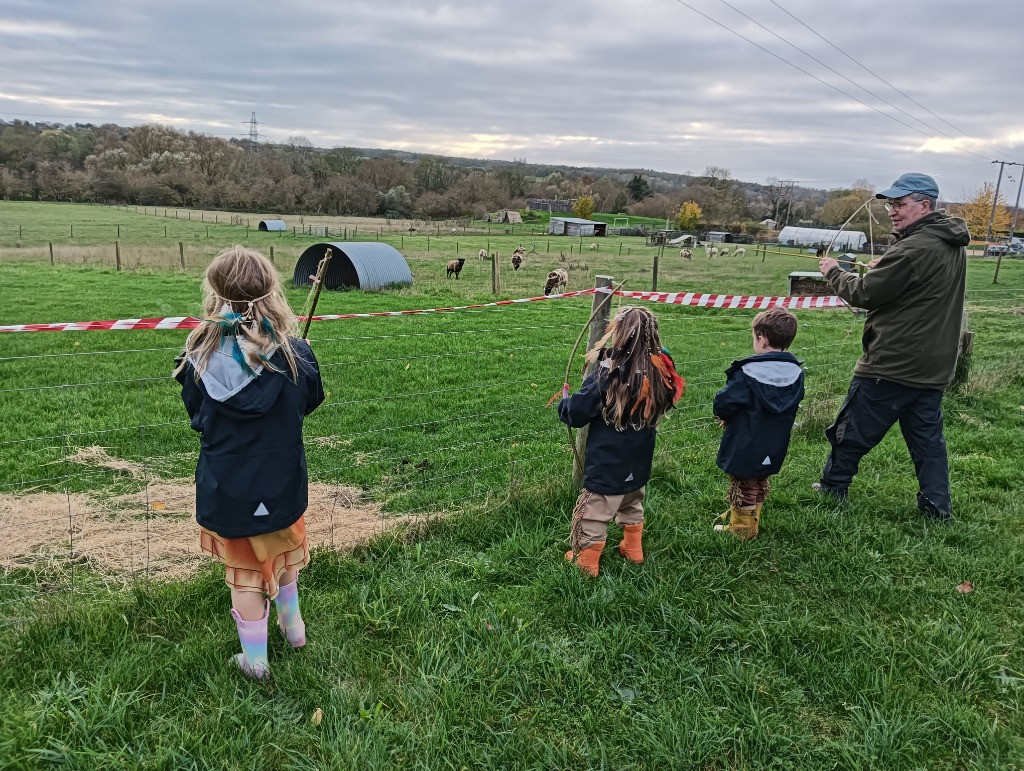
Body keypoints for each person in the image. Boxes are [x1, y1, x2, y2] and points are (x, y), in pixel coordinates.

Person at [174, 245, 325, 678]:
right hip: (282, 481)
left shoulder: (198, 357)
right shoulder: (295, 354)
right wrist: (303, 361)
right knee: (284, 557)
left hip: (230, 487)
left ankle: (256, 662)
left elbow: (198, 417)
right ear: (271, 290)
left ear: (216, 293)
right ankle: (293, 629)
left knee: (246, 577)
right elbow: (307, 403)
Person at [816, 172, 969, 520]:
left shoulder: (914, 248)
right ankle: (936, 508)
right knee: (928, 442)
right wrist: (886, 268)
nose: (892, 211)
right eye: (890, 205)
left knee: (851, 430)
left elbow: (864, 294)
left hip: (894, 363)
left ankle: (832, 487)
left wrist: (834, 270)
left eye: (900, 204)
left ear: (924, 205)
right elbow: (917, 282)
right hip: (934, 365)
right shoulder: (948, 241)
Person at [558, 306, 685, 577]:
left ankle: (586, 561)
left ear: (620, 333)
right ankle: (632, 547)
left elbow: (578, 413)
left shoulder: (608, 372)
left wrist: (566, 404)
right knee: (631, 500)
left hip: (608, 461)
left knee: (595, 510)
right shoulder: (660, 368)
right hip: (639, 459)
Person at [713, 309, 805, 541]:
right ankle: (751, 516)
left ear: (761, 339)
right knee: (761, 478)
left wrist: (724, 415)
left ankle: (742, 530)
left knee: (743, 482)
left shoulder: (747, 373)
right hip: (775, 440)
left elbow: (725, 402)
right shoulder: (796, 373)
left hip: (746, 439)